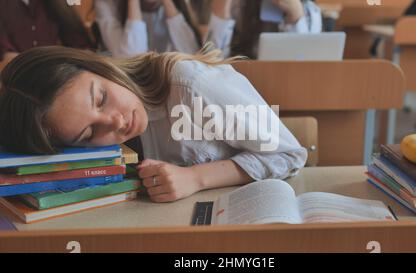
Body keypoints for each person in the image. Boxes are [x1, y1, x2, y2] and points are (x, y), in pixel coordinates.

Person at [0, 46, 307, 203]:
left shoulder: (189, 84)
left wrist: (196, 178)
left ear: (96, 67)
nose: (116, 123)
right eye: (89, 133)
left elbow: (290, 154)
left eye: (102, 97)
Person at [94, 0, 235, 58]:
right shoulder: (107, 4)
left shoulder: (177, 7)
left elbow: (192, 57)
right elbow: (132, 57)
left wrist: (169, 4)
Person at [0, 0, 96, 69]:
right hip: (18, 75)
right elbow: (6, 55)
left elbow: (78, 41)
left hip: (56, 69)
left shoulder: (55, 3)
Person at [230, 0, 322, 59]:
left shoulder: (310, 10)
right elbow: (218, 59)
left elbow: (306, 63)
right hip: (242, 75)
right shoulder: (238, 5)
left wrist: (295, 15)